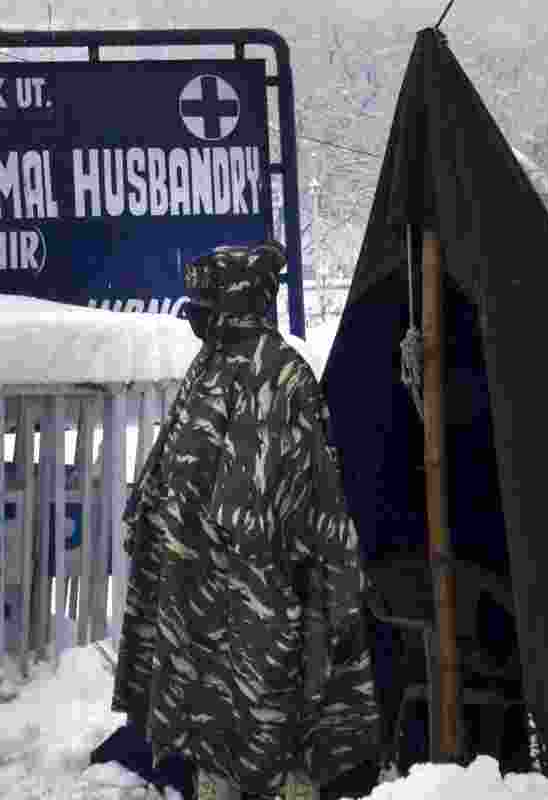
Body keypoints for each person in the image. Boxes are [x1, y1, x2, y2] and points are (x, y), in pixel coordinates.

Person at [109, 242, 380, 800]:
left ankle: (283, 777)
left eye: (204, 304)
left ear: (234, 301)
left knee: (265, 684)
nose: (194, 316)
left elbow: (298, 495)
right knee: (207, 687)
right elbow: (176, 450)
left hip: (260, 578)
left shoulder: (282, 374)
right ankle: (216, 772)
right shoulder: (210, 366)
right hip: (198, 578)